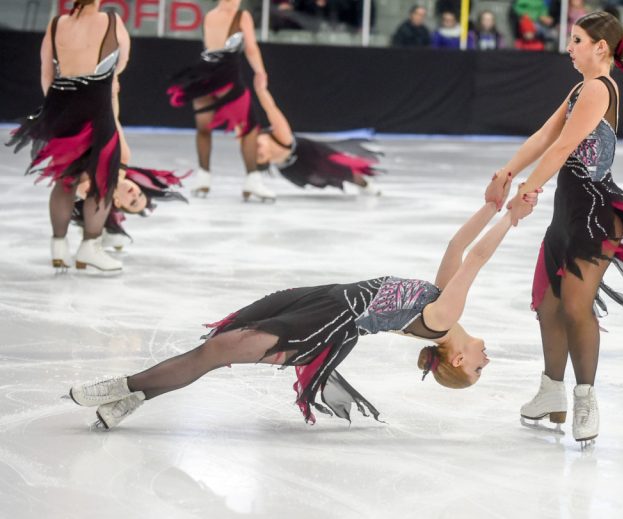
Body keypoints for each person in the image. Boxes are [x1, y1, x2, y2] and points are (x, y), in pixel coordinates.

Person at [68, 177, 541, 429]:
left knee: (218, 350)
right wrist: (492, 206)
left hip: (328, 322)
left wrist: (512, 218)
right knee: (221, 340)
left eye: (478, 370)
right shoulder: (441, 310)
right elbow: (458, 249)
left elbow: (476, 258)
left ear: (456, 360)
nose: (487, 361)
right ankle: (134, 397)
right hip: (323, 297)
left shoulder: (444, 319)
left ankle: (122, 387)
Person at [486, 11, 623, 445]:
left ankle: (585, 399)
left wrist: (527, 191)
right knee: (548, 305)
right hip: (568, 210)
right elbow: (545, 135)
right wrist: (507, 173)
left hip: (595, 214)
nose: (569, 48)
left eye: (576, 40)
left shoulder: (598, 88)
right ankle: (551, 392)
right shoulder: (581, 88)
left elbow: (563, 147)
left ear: (601, 47)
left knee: (575, 306)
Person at [6, 0, 130, 272]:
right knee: (102, 179)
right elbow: (121, 62)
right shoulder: (111, 21)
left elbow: (46, 74)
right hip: (96, 107)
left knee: (65, 180)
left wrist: (59, 108)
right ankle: (89, 247)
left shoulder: (56, 25)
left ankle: (59, 247)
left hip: (61, 107)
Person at [166, 0, 274, 201]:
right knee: (249, 127)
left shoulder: (209, 16)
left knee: (203, 129)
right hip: (227, 77)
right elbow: (251, 48)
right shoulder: (241, 16)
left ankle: (203, 179)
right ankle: (253, 179)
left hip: (203, 76)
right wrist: (261, 72)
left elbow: (209, 48)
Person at [252, 80, 382, 196]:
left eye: (256, 150)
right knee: (323, 178)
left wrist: (261, 90)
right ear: (268, 159)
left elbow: (271, 109)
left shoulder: (281, 136)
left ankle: (365, 185)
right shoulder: (271, 155)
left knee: (340, 170)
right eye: (261, 156)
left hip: (307, 152)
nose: (257, 151)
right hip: (293, 170)